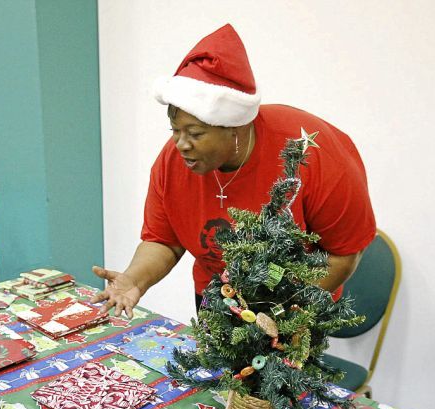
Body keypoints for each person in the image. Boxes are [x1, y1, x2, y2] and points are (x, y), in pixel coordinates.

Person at [92, 24, 376, 317]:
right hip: (218, 296)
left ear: (235, 127)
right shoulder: (173, 161)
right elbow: (164, 240)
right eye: (175, 130)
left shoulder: (315, 156)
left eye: (196, 133)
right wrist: (134, 280)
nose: (181, 144)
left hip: (296, 301)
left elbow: (343, 255)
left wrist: (279, 314)